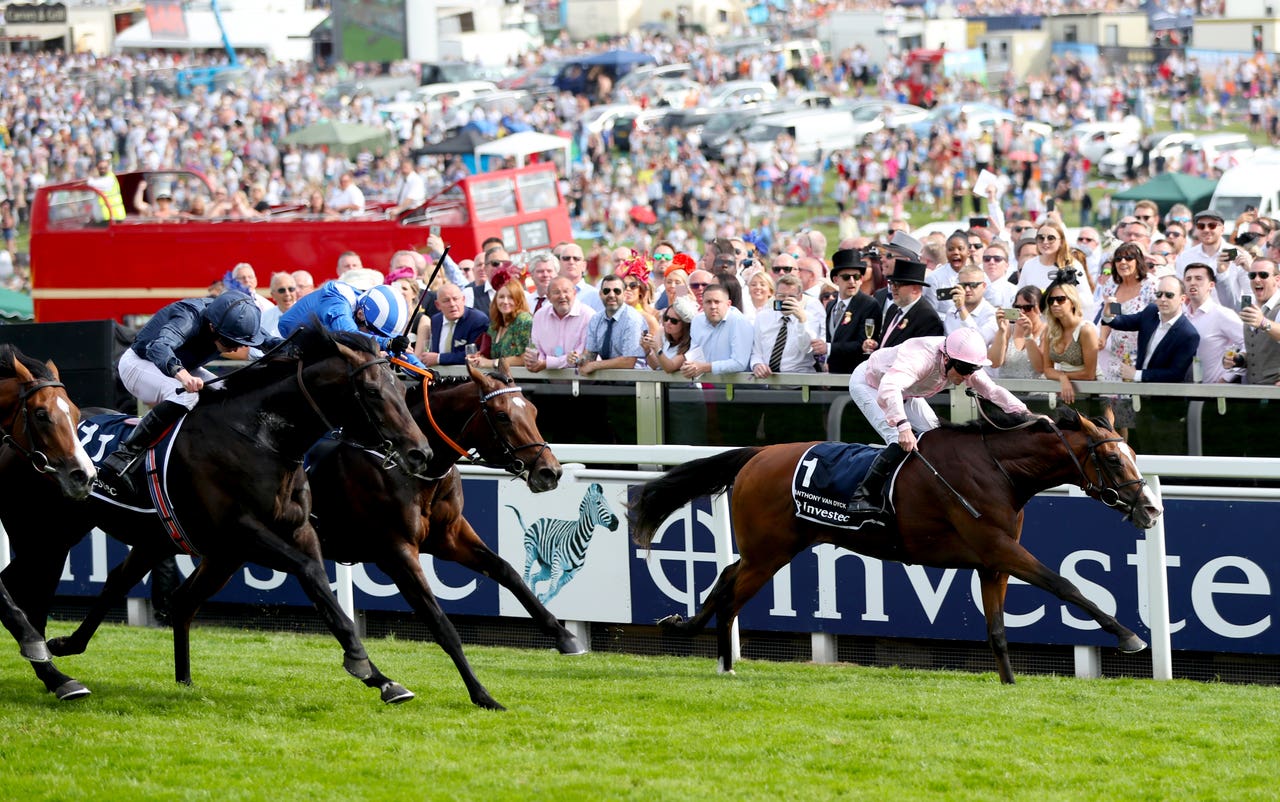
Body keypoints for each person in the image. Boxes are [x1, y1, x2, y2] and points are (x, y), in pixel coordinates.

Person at [101, 291, 275, 492]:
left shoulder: (229, 319)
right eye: (230, 342)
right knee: (187, 394)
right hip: (139, 365)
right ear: (212, 327)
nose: (236, 349)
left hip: (182, 366)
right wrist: (182, 376)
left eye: (240, 343)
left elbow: (268, 341)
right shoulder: (188, 316)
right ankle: (122, 458)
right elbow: (159, 347)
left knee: (227, 391)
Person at [845, 327, 1029, 515]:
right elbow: (889, 388)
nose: (968, 376)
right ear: (946, 359)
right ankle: (863, 496)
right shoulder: (921, 357)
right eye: (965, 370)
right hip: (872, 385)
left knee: (936, 435)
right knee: (899, 440)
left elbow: (992, 391)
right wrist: (903, 426)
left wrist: (1026, 414)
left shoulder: (962, 360)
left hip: (907, 390)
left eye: (973, 370)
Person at [1097, 242, 1157, 434]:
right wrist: (1102, 338)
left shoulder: (1151, 285)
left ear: (1138, 261)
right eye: (1118, 258)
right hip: (1116, 355)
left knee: (1138, 411)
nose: (1123, 262)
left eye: (1129, 257)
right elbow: (1110, 318)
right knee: (1115, 412)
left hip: (1142, 356)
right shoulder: (1111, 286)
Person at [1102, 276, 1200, 383]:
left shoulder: (1188, 334)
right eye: (1159, 294)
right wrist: (1108, 315)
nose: (1162, 299)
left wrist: (1136, 374)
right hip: (1138, 391)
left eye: (1169, 295)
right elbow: (1124, 322)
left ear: (1182, 299)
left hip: (1164, 395)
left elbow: (1176, 374)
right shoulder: (1151, 311)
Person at [278, 280, 412, 357]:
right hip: (295, 343)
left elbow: (398, 347)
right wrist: (387, 343)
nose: (373, 335)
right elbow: (349, 334)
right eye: (372, 332)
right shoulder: (338, 305)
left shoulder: (365, 308)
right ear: (360, 315)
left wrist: (426, 372)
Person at [1176, 210, 1250, 312]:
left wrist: (1245, 316)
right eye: (1201, 226)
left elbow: (1248, 292)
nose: (1206, 230)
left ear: (1222, 229)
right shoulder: (1185, 256)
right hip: (1195, 317)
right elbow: (1180, 291)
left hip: (1229, 317)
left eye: (1212, 225)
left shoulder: (1236, 254)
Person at [750, 273, 823, 377]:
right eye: (781, 296)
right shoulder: (763, 317)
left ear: (800, 297)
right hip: (767, 381)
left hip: (799, 382)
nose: (785, 300)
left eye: (791, 297)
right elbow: (756, 350)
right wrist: (757, 364)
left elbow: (806, 349)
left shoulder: (810, 318)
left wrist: (802, 321)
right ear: (775, 296)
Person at [1183, 263, 1245, 383]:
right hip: (1183, 390)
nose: (1192, 283)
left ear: (1211, 285)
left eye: (1199, 278)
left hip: (1213, 392)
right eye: (1188, 279)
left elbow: (1249, 344)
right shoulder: (1181, 315)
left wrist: (1227, 378)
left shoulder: (1222, 314)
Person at [1039, 282, 1098, 404]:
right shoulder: (1049, 331)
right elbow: (1047, 369)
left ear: (1072, 302)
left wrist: (1063, 376)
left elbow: (1089, 374)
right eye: (1051, 300)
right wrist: (1062, 378)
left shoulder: (1086, 330)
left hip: (1092, 393)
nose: (1055, 304)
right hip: (1066, 391)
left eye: (1060, 299)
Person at [867, 259, 943, 353]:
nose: (893, 288)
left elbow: (920, 358)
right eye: (891, 283)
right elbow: (889, 341)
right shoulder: (893, 309)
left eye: (898, 284)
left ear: (915, 289)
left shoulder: (928, 318)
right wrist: (876, 345)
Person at [577, 274, 646, 375]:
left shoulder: (632, 319)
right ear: (600, 294)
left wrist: (594, 365)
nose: (611, 295)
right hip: (607, 381)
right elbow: (590, 355)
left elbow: (629, 362)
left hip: (634, 382)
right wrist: (579, 359)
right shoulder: (596, 319)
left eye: (617, 291)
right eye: (606, 291)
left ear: (624, 294)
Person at [680, 284, 753, 378]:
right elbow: (695, 353)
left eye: (717, 302)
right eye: (708, 302)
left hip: (741, 386)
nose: (713, 306)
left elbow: (739, 363)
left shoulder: (739, 322)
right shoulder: (697, 321)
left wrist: (705, 367)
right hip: (708, 384)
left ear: (728, 304)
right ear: (702, 304)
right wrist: (688, 366)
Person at [825, 249, 880, 374]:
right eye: (846, 277)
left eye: (856, 276)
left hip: (856, 374)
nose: (852, 281)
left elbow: (864, 344)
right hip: (833, 374)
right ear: (835, 279)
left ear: (861, 279)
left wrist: (828, 348)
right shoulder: (831, 305)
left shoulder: (869, 304)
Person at [526, 276, 594, 372]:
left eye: (566, 291)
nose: (562, 296)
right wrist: (536, 360)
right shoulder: (539, 316)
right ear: (548, 297)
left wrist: (547, 363)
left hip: (584, 381)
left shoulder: (588, 315)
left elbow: (580, 356)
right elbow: (536, 349)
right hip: (548, 381)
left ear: (574, 293)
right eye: (556, 292)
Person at [1228, 258, 1280, 384]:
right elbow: (1257, 349)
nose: (1257, 279)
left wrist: (1263, 323)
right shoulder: (1250, 307)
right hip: (1253, 389)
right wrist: (1239, 359)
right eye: (1252, 275)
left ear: (1277, 279)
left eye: (1263, 275)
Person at [470, 269, 532, 372]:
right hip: (499, 381)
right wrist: (479, 358)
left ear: (519, 300)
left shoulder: (524, 320)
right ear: (495, 300)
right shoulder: (495, 325)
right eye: (501, 297)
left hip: (525, 382)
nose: (505, 301)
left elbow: (524, 359)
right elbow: (488, 356)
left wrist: (491, 363)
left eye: (511, 297)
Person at [426, 282, 490, 367]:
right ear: (438, 305)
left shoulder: (477, 320)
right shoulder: (435, 320)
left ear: (463, 300)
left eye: (455, 299)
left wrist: (439, 358)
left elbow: (474, 355)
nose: (452, 304)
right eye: (446, 301)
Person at [990, 286, 1045, 379]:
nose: (1022, 312)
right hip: (1007, 391)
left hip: (1037, 391)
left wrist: (1028, 336)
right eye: (1018, 307)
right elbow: (994, 363)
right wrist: (1001, 331)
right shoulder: (1008, 329)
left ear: (1040, 308)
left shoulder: (1047, 331)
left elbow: (1041, 368)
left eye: (1028, 307)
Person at [941, 265, 998, 345]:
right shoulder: (952, 311)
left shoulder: (992, 315)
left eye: (973, 285)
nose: (967, 289)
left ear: (984, 286)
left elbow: (978, 342)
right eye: (963, 286)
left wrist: (962, 309)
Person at [643, 295, 696, 373]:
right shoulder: (662, 333)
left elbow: (670, 367)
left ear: (685, 325)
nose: (668, 323)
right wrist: (647, 349)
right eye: (666, 318)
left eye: (674, 321)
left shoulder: (692, 344)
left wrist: (657, 349)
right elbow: (655, 366)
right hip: (665, 384)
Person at [558, 242, 602, 312]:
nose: (571, 262)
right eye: (566, 258)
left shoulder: (596, 296)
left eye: (576, 259)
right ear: (559, 264)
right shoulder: (551, 294)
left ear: (584, 266)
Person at [260, 272, 299, 337]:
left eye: (291, 289)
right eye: (282, 290)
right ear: (273, 295)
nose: (287, 293)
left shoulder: (307, 315)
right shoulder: (264, 318)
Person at [87, 155, 125, 221]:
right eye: (100, 168)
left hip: (114, 218)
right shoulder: (102, 179)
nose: (103, 169)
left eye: (105, 167)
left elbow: (91, 183)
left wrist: (92, 176)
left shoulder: (109, 179)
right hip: (105, 218)